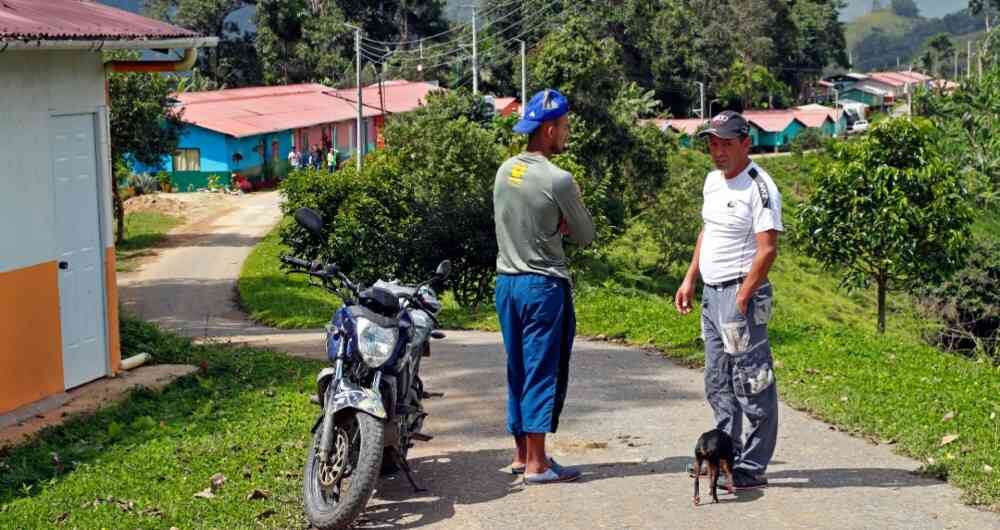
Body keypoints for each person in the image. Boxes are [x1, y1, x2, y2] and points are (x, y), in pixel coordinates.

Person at [674, 111, 783, 490]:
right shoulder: (712, 182)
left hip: (741, 296)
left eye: (725, 144)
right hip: (712, 294)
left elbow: (768, 250)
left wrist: (742, 298)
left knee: (752, 382)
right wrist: (691, 278)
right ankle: (724, 457)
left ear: (745, 143)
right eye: (712, 144)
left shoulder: (760, 187)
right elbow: (708, 230)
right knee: (718, 379)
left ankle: (752, 466)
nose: (717, 152)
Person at [494, 89, 595, 485]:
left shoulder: (505, 170)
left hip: (506, 283)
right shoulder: (559, 179)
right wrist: (563, 222)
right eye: (565, 128)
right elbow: (585, 234)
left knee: (517, 366)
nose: (567, 134)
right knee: (542, 369)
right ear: (549, 129)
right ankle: (538, 465)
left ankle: (522, 454)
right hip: (543, 286)